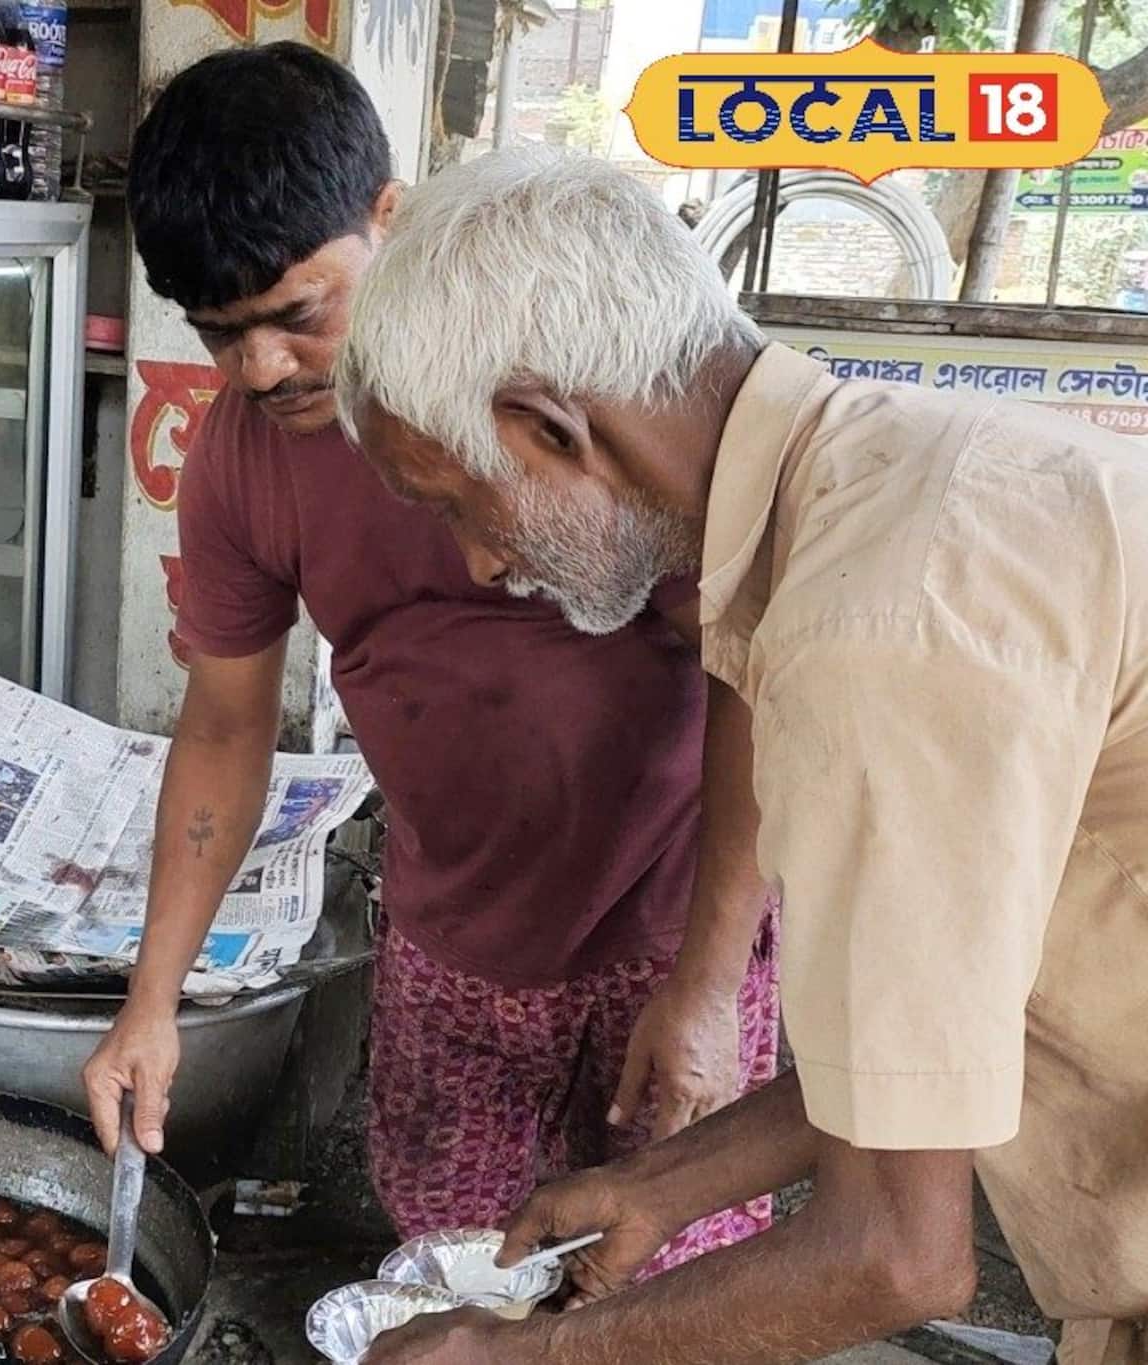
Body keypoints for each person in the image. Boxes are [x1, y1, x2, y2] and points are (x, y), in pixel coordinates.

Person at [337, 148, 1148, 1365]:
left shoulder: (875, 625)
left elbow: (896, 1254)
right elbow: (916, 1048)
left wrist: (518, 1356)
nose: (479, 564)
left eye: (459, 504)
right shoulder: (889, 479)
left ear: (547, 427)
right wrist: (664, 1186)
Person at [78, 43, 781, 1264]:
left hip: (667, 931)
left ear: (388, 218)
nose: (258, 370)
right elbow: (225, 725)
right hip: (452, 945)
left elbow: (751, 674)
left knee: (667, 1284)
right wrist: (152, 1004)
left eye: (296, 316)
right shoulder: (239, 455)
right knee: (453, 1282)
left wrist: (709, 988)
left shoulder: (560, 381)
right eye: (216, 332)